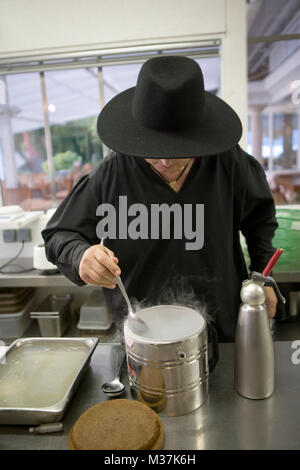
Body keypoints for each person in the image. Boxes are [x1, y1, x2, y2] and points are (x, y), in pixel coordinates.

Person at [42, 55, 278, 342]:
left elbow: (260, 223)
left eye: (179, 149)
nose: (166, 160)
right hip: (142, 330)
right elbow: (60, 234)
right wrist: (81, 256)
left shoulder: (231, 165)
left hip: (221, 326)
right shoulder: (112, 174)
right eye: (154, 148)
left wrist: (261, 276)